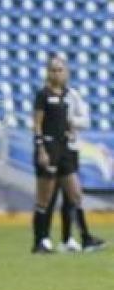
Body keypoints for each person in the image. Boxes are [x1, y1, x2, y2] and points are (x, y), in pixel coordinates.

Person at [31, 55, 105, 254]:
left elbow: (71, 121)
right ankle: (40, 241)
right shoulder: (43, 95)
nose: (57, 73)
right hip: (49, 147)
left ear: (66, 72)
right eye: (53, 70)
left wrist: (71, 129)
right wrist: (40, 147)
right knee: (44, 199)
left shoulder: (67, 95)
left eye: (60, 69)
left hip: (65, 149)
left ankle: (82, 237)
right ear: (48, 72)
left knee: (75, 194)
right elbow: (37, 123)